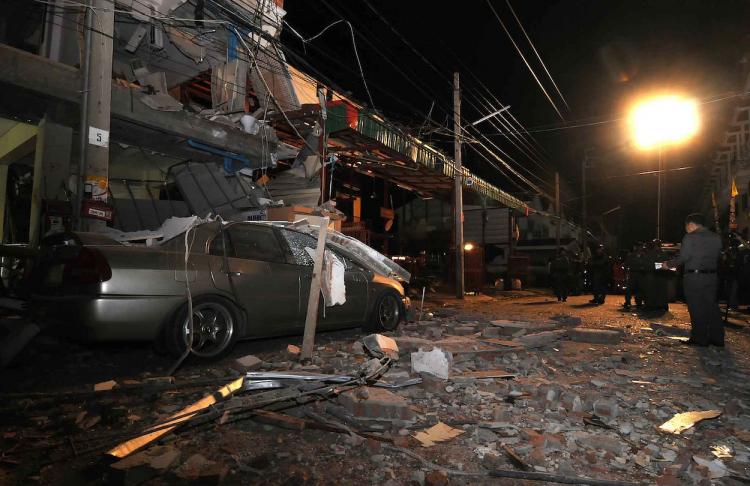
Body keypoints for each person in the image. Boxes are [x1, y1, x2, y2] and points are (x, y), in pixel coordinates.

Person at [662, 213, 724, 347]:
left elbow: (683, 257)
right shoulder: (716, 237)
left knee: (696, 307)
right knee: (712, 306)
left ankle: (699, 338)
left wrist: (668, 264)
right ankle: (717, 338)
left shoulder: (690, 237)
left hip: (694, 277)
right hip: (712, 276)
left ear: (690, 224)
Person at [623, 244, 646, 309]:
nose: (640, 249)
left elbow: (646, 264)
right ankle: (628, 302)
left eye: (641, 247)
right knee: (630, 289)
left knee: (639, 289)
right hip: (633, 274)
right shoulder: (631, 256)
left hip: (640, 274)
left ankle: (638, 303)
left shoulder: (643, 256)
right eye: (639, 247)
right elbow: (626, 265)